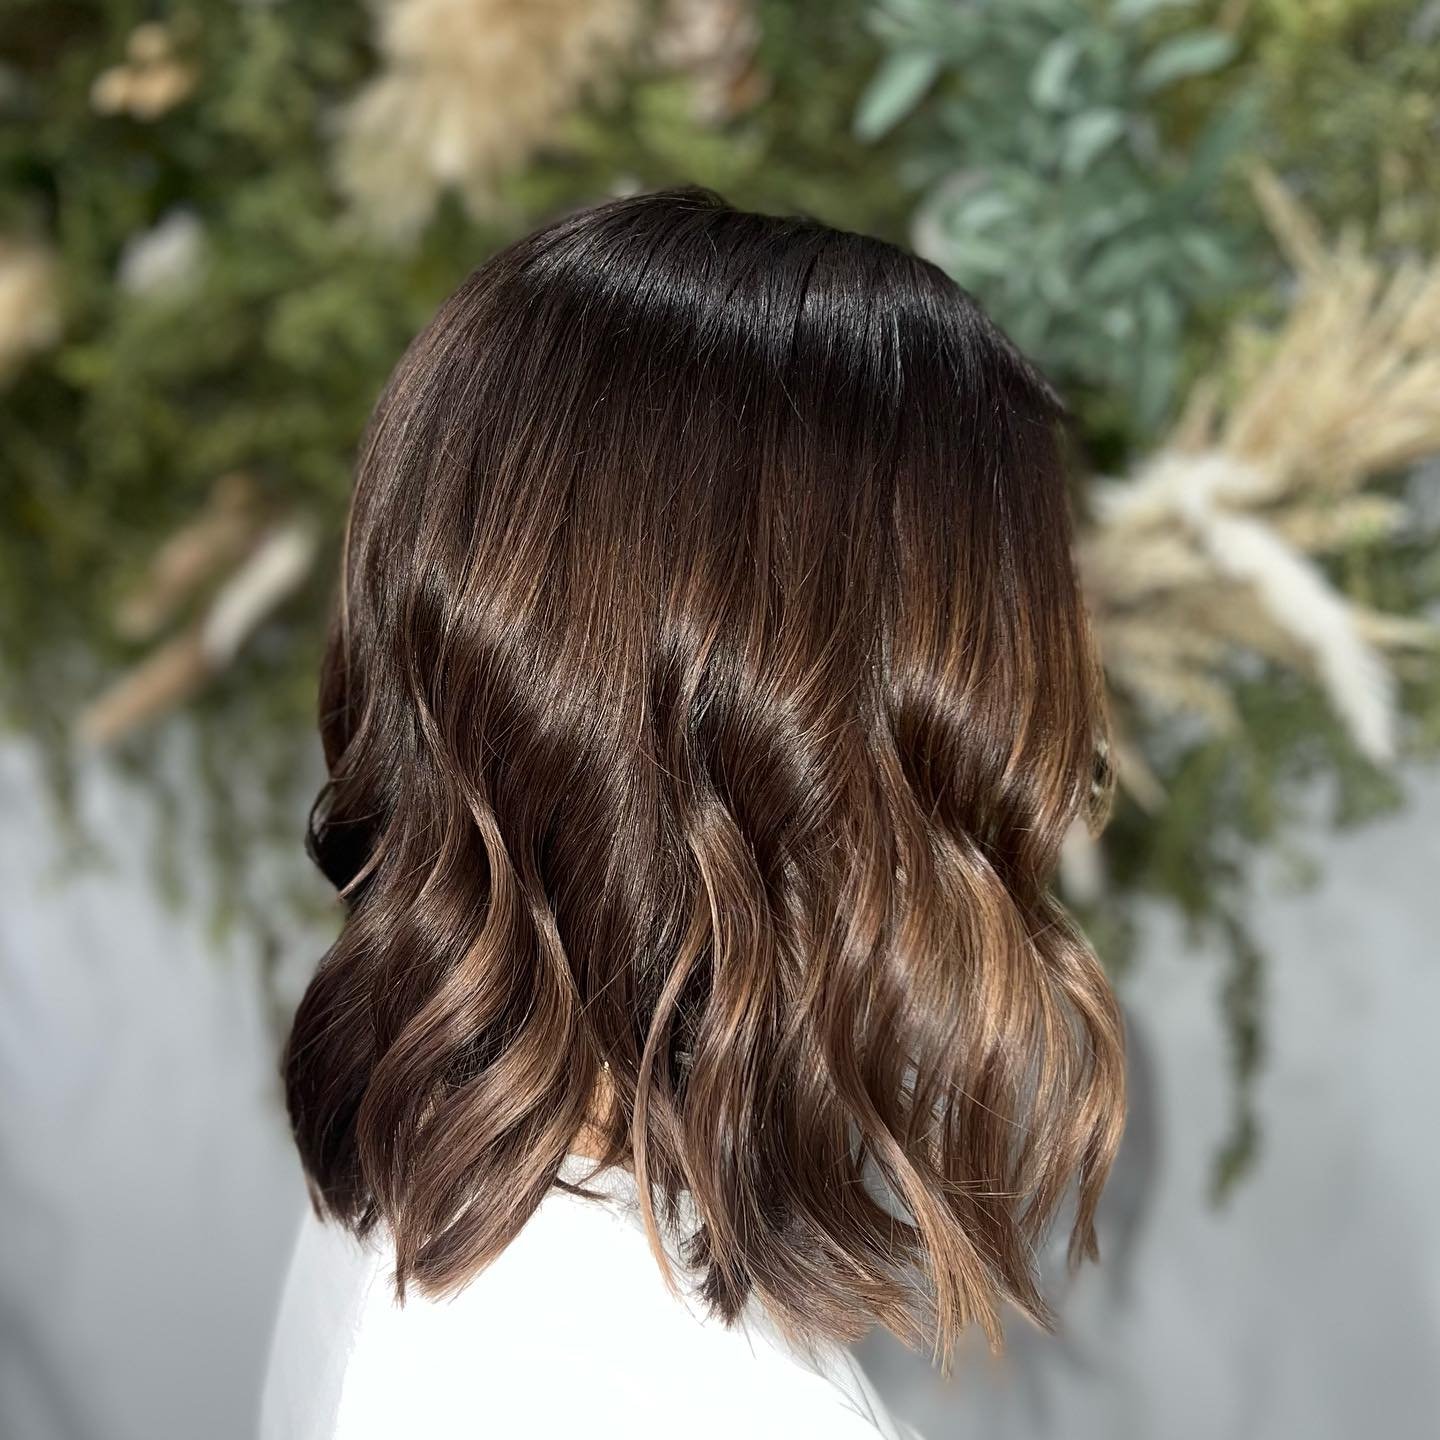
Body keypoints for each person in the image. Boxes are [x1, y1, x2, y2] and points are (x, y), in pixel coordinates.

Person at [260, 189, 1126, 1440]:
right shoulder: (652, 1388)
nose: (1070, 698)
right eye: (1015, 629)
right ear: (804, 726)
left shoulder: (434, 1178)